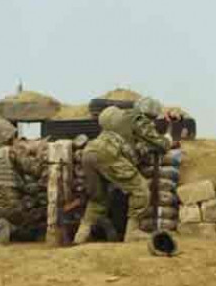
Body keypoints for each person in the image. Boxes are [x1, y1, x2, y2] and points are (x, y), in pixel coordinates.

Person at [74, 97, 174, 244]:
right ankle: (132, 232)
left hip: (89, 152)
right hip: (109, 154)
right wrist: (168, 137)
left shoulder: (118, 116)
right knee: (140, 190)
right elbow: (161, 145)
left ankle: (81, 236)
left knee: (98, 199)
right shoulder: (139, 119)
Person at [0, 120, 46, 244]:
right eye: (14, 137)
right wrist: (40, 154)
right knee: (37, 222)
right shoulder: (10, 151)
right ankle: (13, 229)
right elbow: (34, 170)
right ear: (8, 138)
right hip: (11, 206)